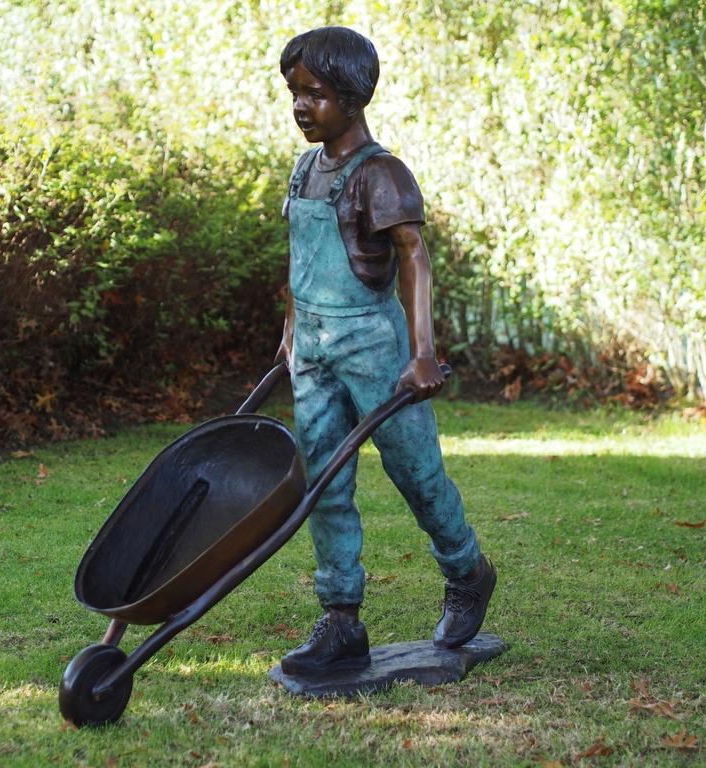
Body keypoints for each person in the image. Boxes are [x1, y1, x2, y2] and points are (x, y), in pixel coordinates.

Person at [274, 26, 496, 677]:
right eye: (294, 93)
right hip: (313, 351)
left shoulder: (380, 174)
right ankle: (341, 619)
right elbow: (297, 259)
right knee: (324, 483)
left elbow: (414, 259)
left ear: (351, 94)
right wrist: (291, 328)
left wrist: (423, 352)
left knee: (416, 473)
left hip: (374, 350)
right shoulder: (304, 170)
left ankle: (466, 571)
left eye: (313, 93)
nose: (300, 106)